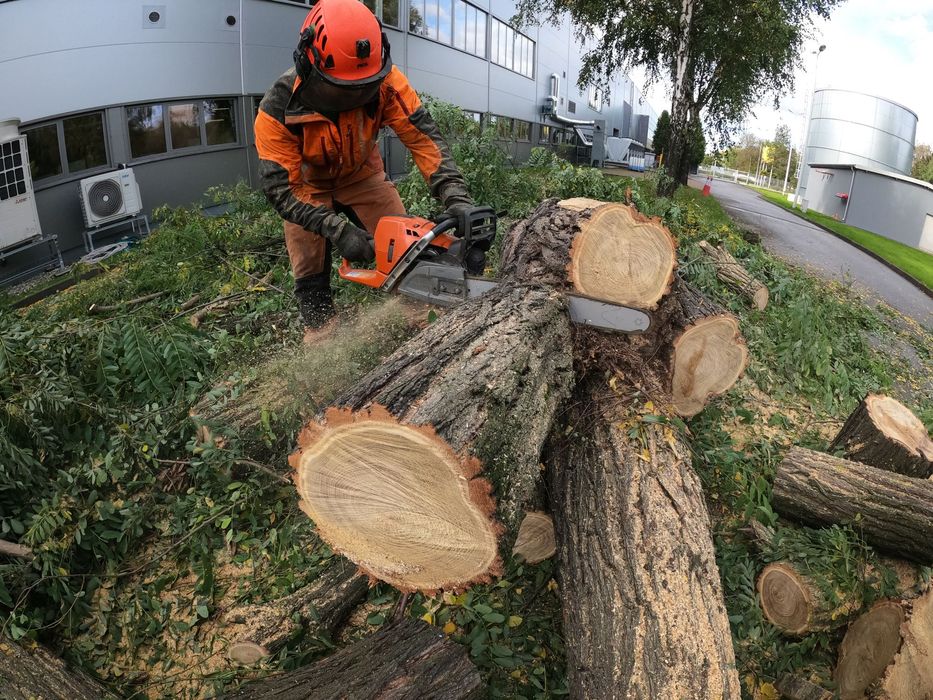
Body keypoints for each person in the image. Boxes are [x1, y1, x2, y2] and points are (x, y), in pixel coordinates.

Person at [254, 0, 473, 328]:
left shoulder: (387, 83)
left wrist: (455, 194)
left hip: (362, 175)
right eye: (342, 91)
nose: (354, 99)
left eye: (362, 89)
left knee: (407, 245)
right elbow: (281, 189)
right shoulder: (278, 107)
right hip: (305, 186)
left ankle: (423, 320)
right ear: (308, 63)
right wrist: (337, 230)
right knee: (309, 271)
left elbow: (422, 138)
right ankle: (321, 337)